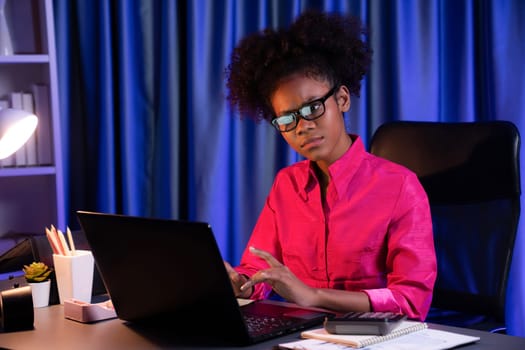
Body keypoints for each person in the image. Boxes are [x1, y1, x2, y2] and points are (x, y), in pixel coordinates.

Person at [223, 10, 436, 321]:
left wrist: (313, 296)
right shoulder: (287, 184)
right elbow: (260, 268)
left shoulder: (401, 187)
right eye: (287, 118)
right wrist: (243, 284)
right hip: (301, 334)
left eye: (313, 107)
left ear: (343, 99)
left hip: (373, 337)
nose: (302, 126)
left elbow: (411, 300)